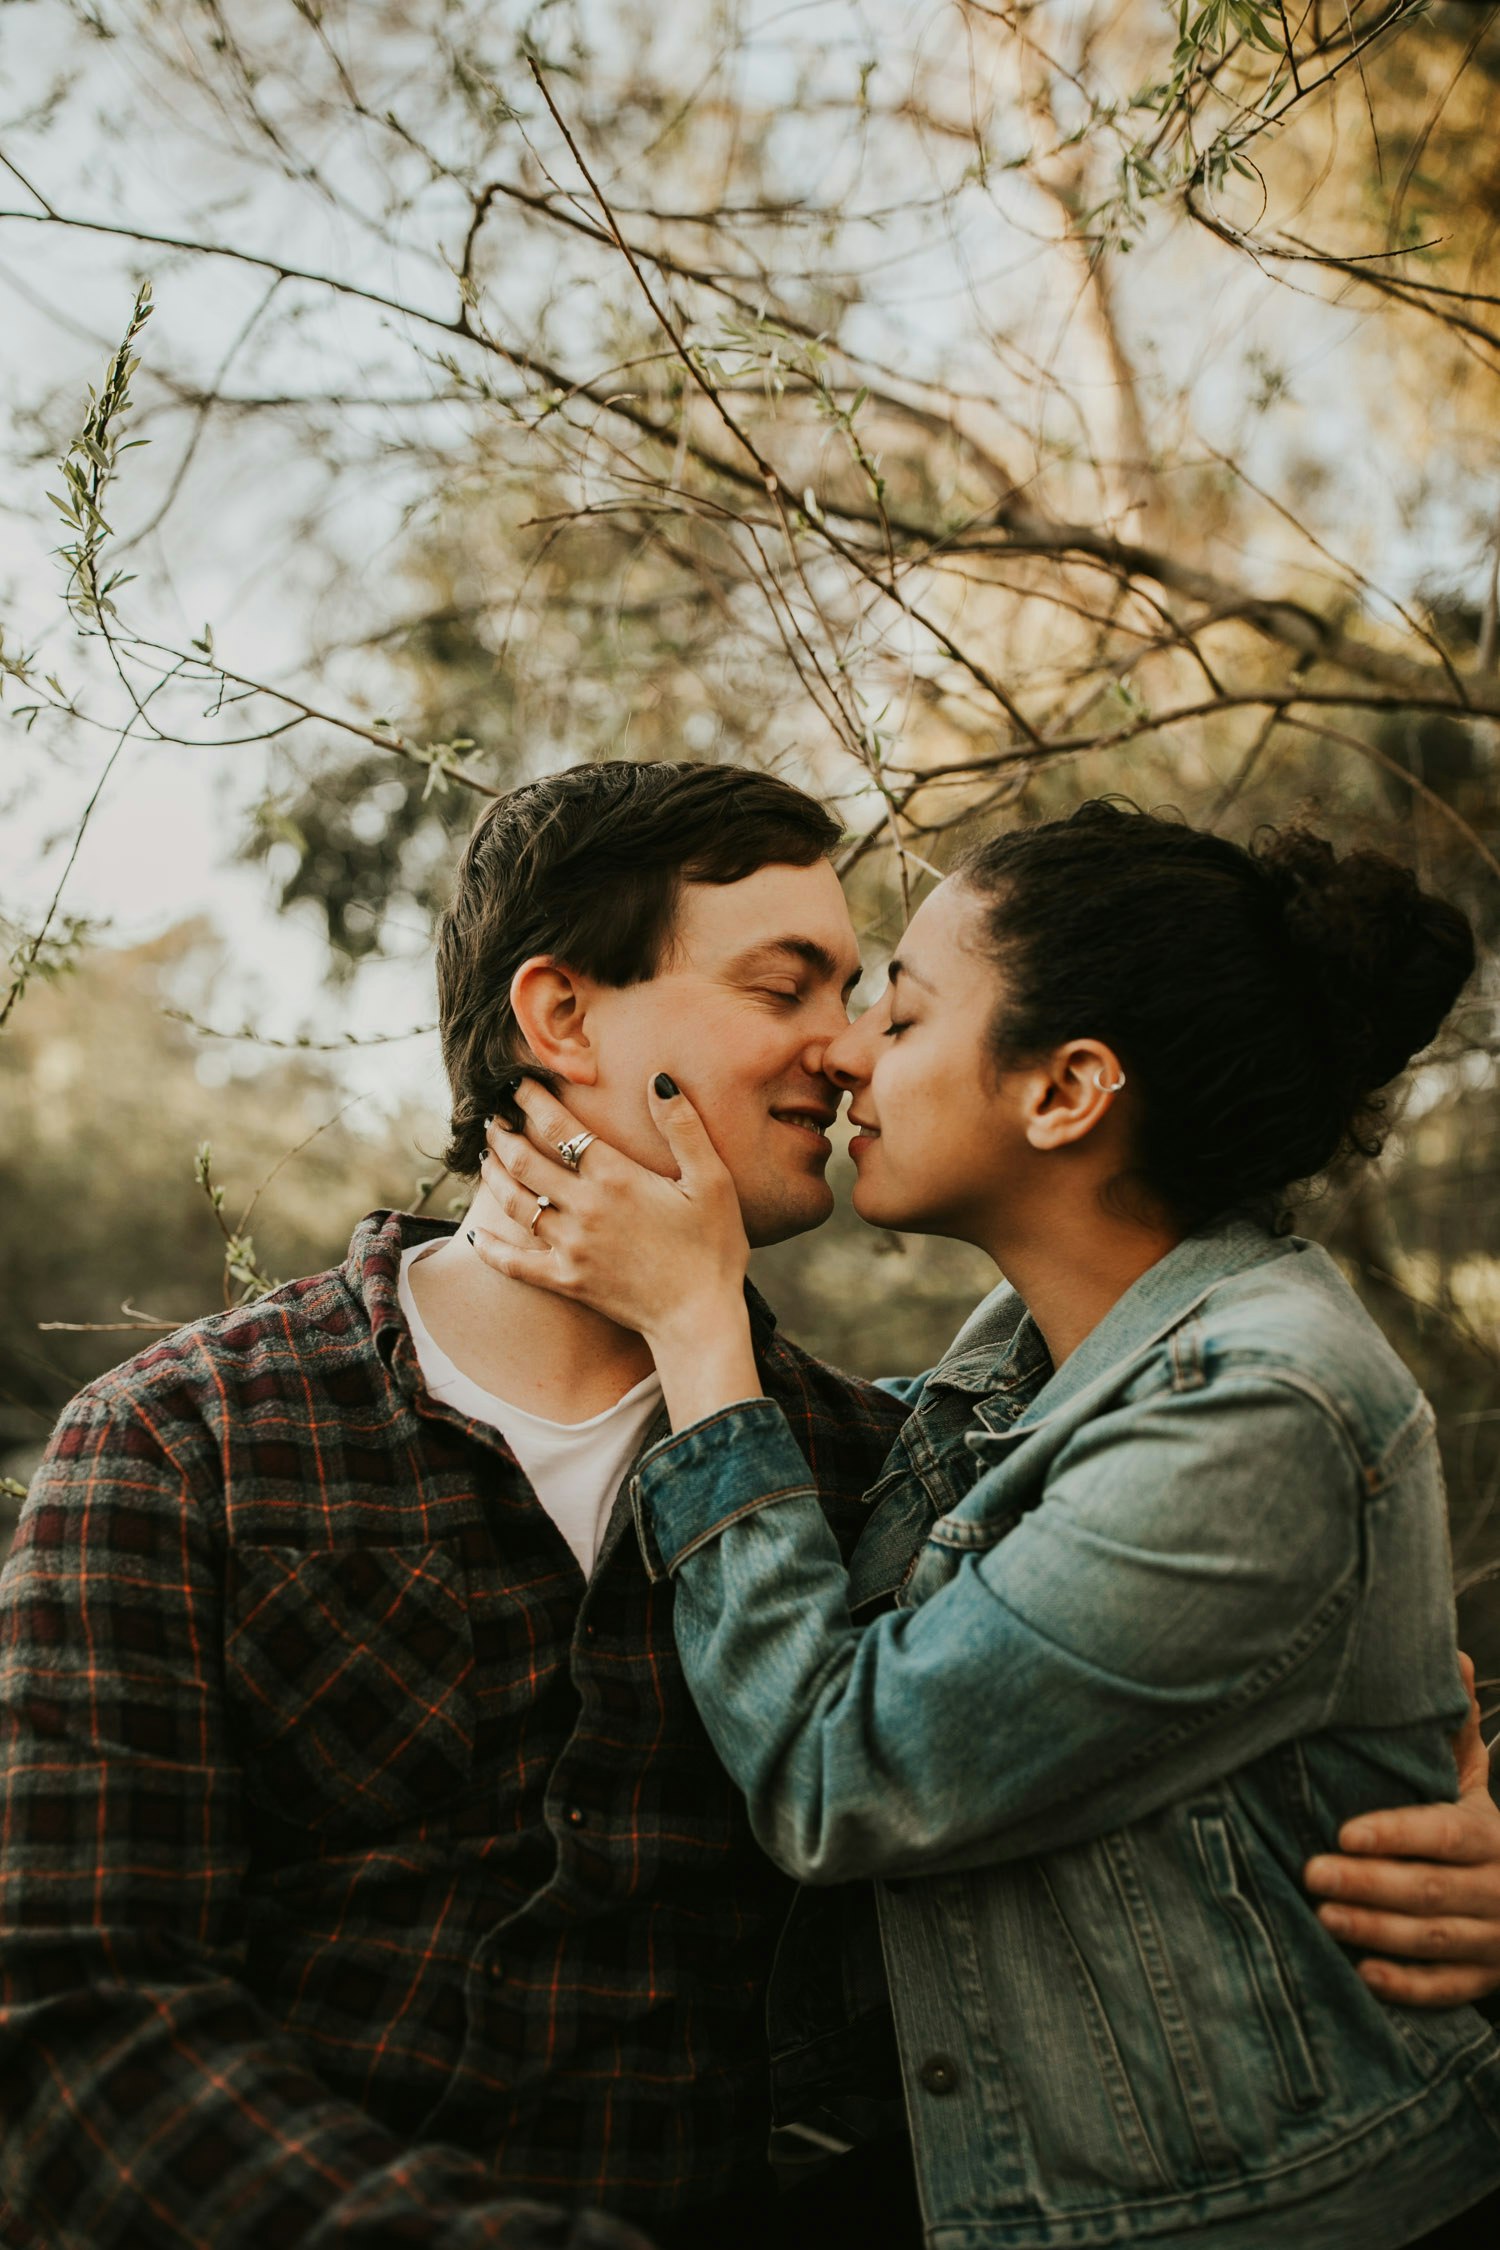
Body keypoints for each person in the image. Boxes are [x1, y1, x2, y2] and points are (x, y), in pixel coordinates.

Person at [474, 800, 1500, 2248]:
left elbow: (843, 1774)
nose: (841, 1049)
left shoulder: (1263, 1402)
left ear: (1066, 1089)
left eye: (899, 1010)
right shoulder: (1029, 1342)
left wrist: (698, 1322)